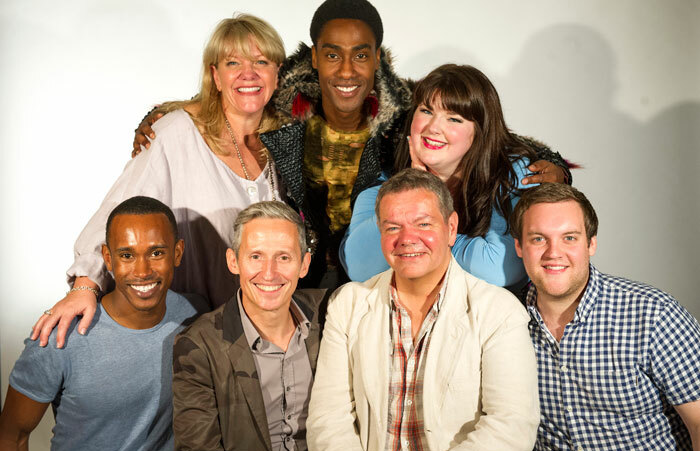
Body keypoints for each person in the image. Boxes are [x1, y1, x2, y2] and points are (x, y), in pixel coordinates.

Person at [132, 0, 571, 289]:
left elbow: (484, 130)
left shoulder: (407, 108)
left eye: (361, 54)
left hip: (388, 267)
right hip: (307, 270)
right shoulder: (285, 98)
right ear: (315, 54)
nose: (346, 70)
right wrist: (167, 113)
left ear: (377, 57)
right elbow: (236, 93)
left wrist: (551, 163)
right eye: (332, 54)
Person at [31, 14, 286, 348]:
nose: (248, 73)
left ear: (278, 73)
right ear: (215, 76)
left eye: (261, 61)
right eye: (233, 62)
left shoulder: (287, 142)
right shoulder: (174, 134)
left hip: (268, 335)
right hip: (192, 337)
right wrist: (84, 284)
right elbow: (119, 213)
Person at [307, 169, 539, 451]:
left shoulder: (499, 312)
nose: (407, 238)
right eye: (392, 227)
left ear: (451, 228)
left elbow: (511, 428)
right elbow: (328, 421)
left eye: (424, 224)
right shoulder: (348, 305)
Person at [0, 196, 204, 451]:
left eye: (156, 253)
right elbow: (11, 436)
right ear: (107, 258)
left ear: (177, 253)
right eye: (127, 255)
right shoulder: (59, 336)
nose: (142, 271)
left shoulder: (196, 315)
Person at [511, 183, 700, 451]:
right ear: (519, 246)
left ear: (591, 244)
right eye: (538, 239)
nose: (554, 253)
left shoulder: (653, 315)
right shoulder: (505, 321)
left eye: (570, 238)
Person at [343, 64, 542, 289]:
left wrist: (421, 242)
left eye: (454, 119)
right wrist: (414, 196)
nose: (433, 128)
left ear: (480, 132)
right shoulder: (382, 184)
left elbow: (499, 269)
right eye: (426, 111)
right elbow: (358, 268)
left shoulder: (512, 175)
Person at [172, 201, 330, 451]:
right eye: (256, 256)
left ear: (304, 265)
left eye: (284, 257)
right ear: (233, 261)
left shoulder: (332, 313)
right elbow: (198, 450)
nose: (269, 273)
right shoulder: (199, 345)